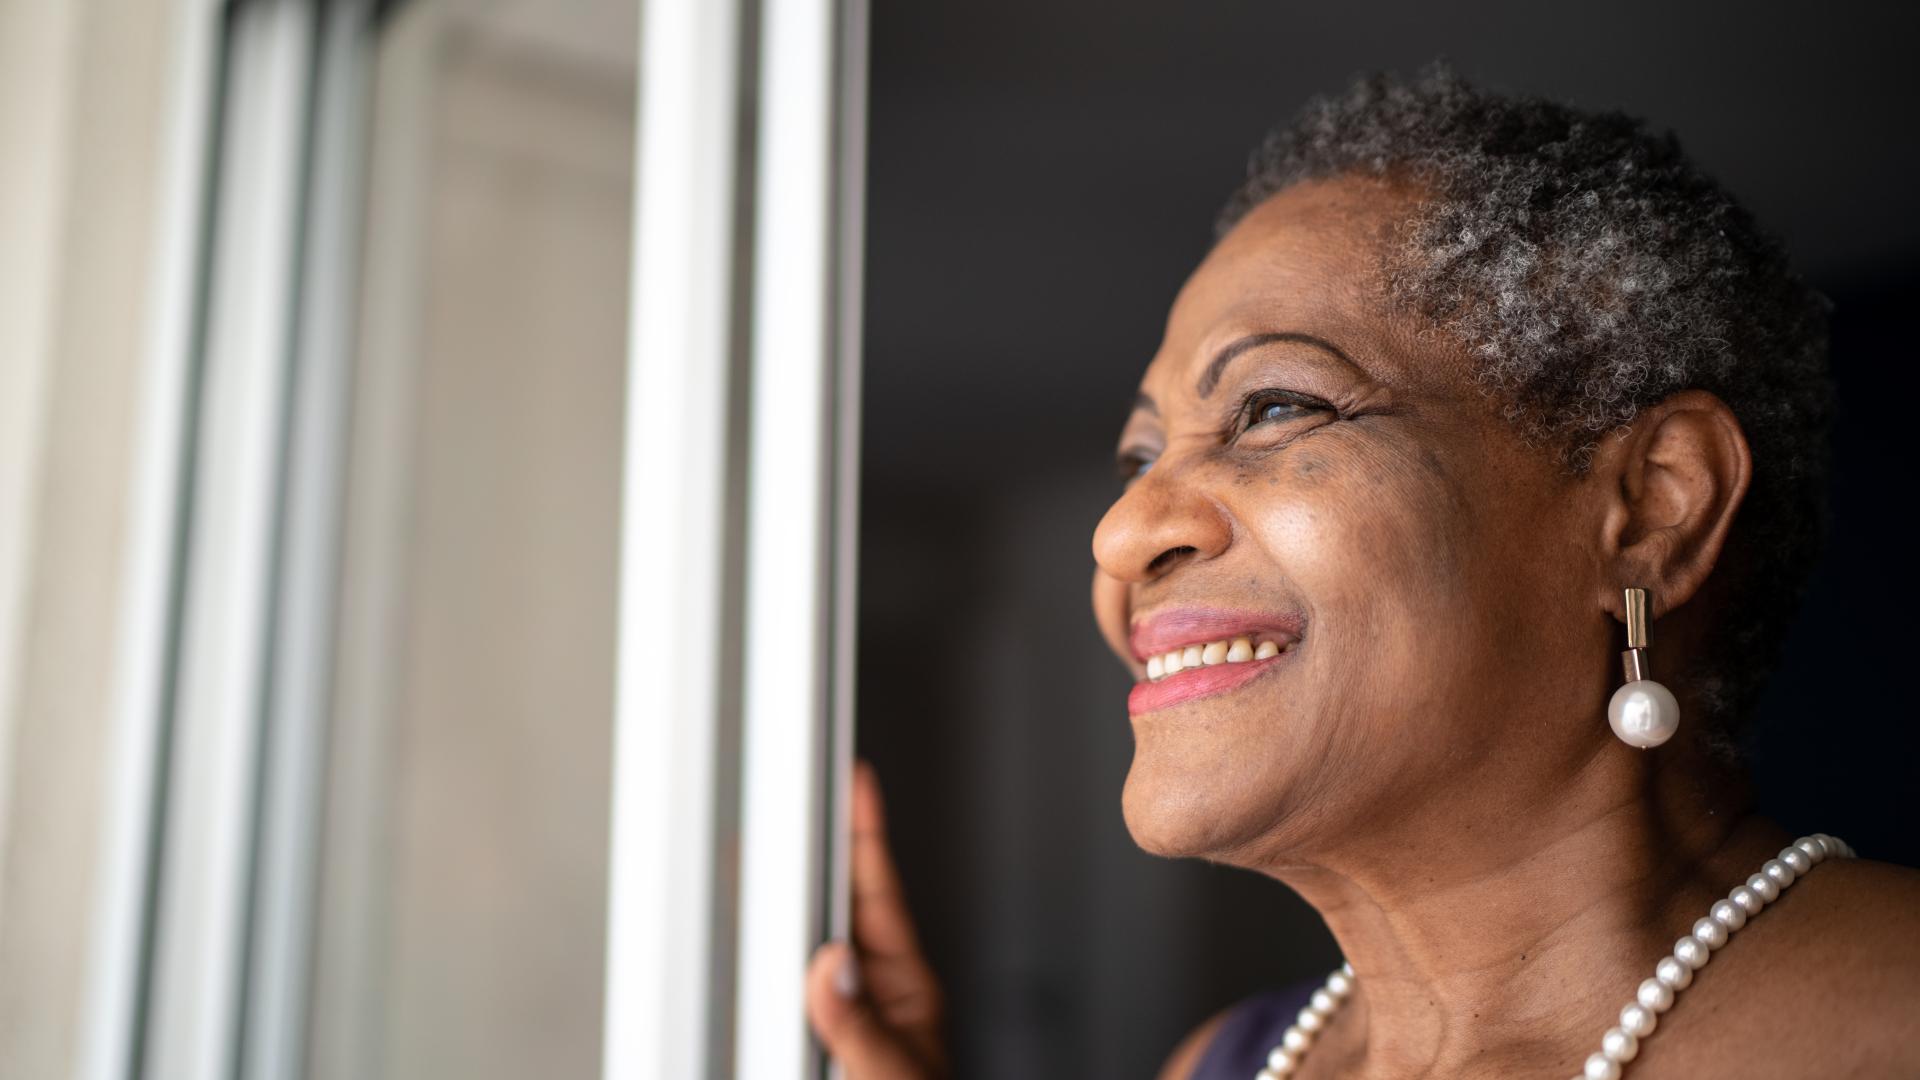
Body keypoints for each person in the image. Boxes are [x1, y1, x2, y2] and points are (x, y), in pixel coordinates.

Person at [802, 66, 1920, 1078]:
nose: (1121, 534)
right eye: (1141, 455)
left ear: (1650, 509)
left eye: (1274, 407)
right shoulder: (1223, 1064)